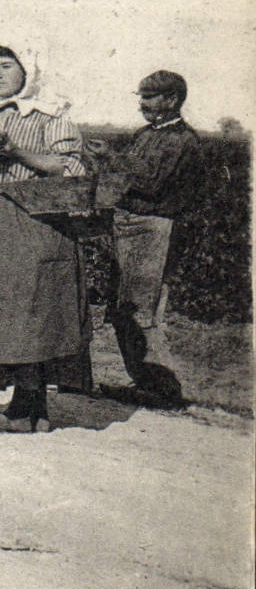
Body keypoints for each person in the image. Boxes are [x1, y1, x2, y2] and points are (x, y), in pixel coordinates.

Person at [0, 44, 90, 433]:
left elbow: (70, 170)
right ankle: (25, 405)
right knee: (0, 314)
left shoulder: (50, 116)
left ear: (28, 71)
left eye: (6, 66)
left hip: (35, 223)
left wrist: (15, 152)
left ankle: (30, 407)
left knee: (33, 312)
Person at [94, 70, 202, 408]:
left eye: (150, 97)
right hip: (129, 227)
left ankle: (164, 390)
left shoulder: (182, 141)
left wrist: (111, 158)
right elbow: (125, 176)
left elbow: (151, 183)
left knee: (144, 312)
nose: (143, 104)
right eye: (142, 97)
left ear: (171, 100)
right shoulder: (146, 134)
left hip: (154, 229)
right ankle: (144, 383)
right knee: (123, 309)